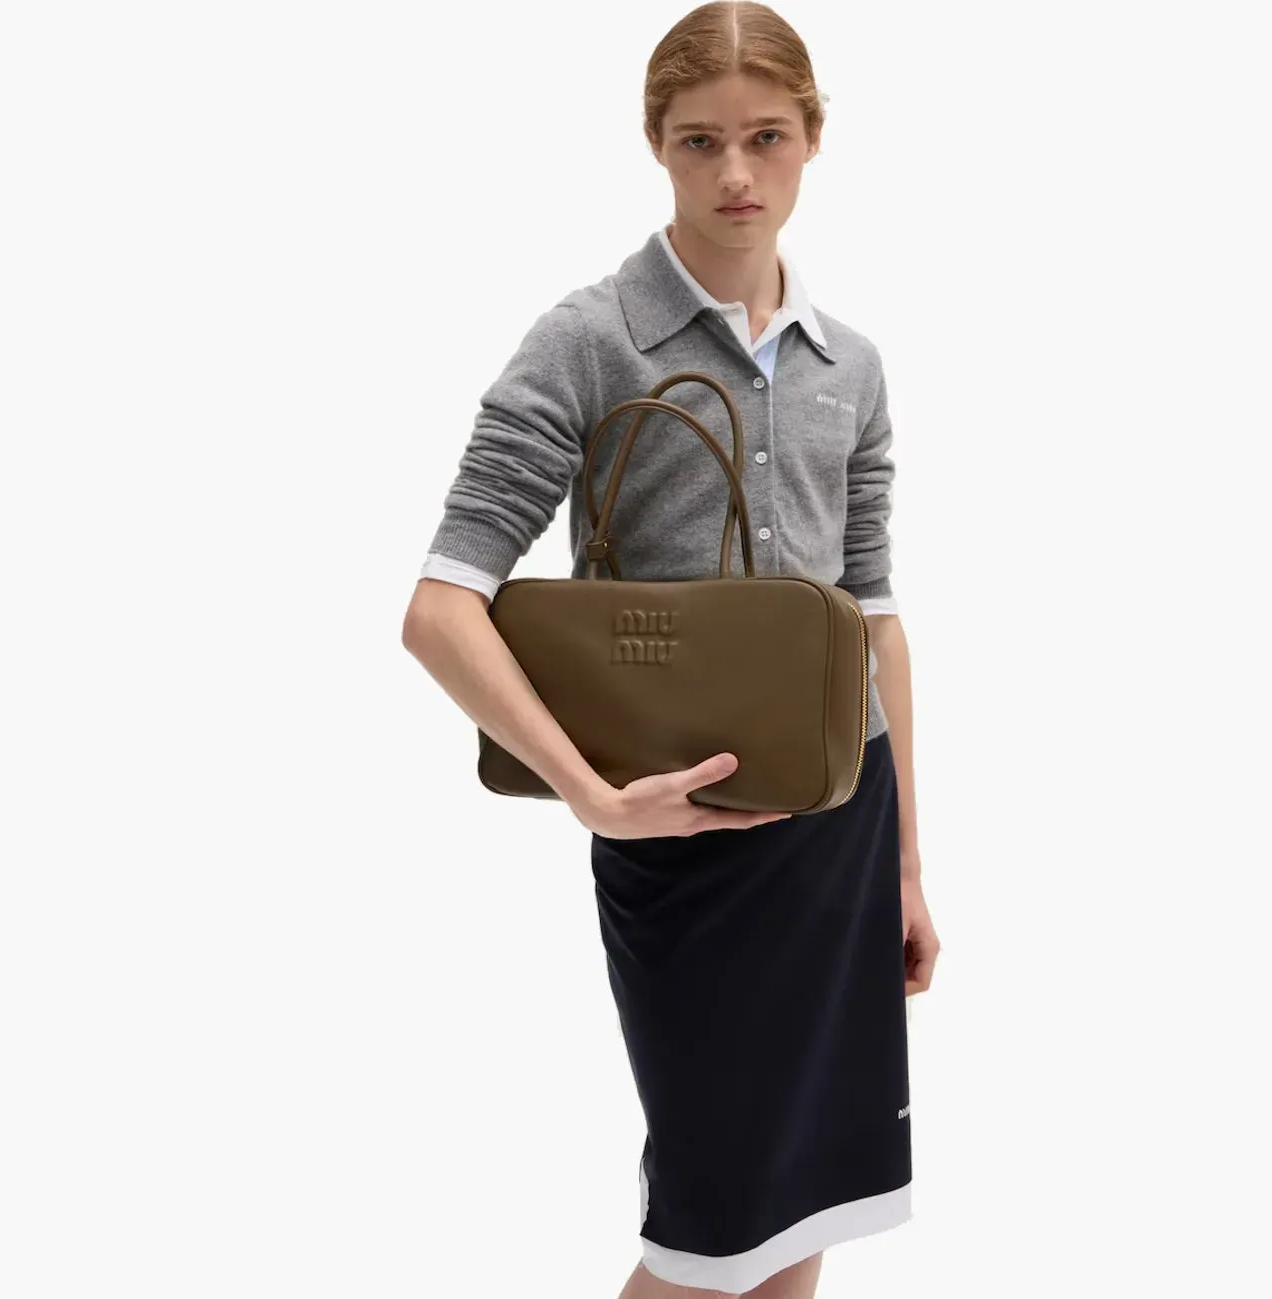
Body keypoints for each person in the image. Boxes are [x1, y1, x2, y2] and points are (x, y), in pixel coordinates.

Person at [400, 5, 940, 1295]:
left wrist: (907, 867)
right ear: (657, 144)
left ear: (813, 138)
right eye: (701, 141)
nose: (736, 173)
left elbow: (874, 617)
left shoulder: (851, 365)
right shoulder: (591, 339)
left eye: (767, 137)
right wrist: (592, 795)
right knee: (708, 1231)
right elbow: (440, 607)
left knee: (802, 1213)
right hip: (675, 839)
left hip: (840, 832)